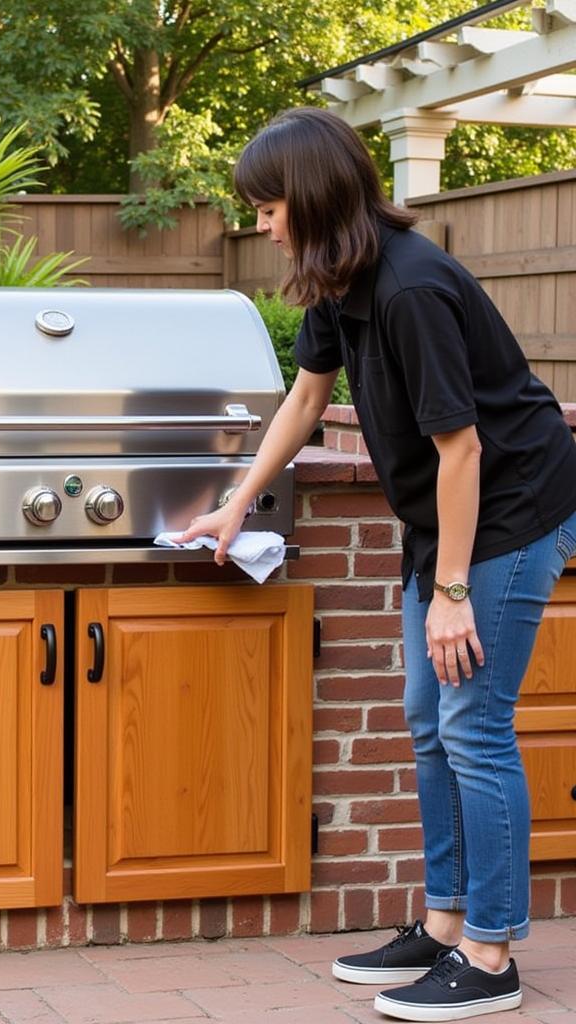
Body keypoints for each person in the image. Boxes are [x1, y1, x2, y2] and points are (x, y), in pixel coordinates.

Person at [174, 107, 576, 1022]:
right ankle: (442, 927)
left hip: (511, 513)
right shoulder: (339, 281)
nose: (262, 223)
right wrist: (235, 506)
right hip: (449, 523)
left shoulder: (410, 289)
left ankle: (493, 953)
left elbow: (464, 451)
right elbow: (307, 395)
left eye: (269, 207)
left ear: (309, 199)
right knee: (426, 718)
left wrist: (453, 592)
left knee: (475, 725)